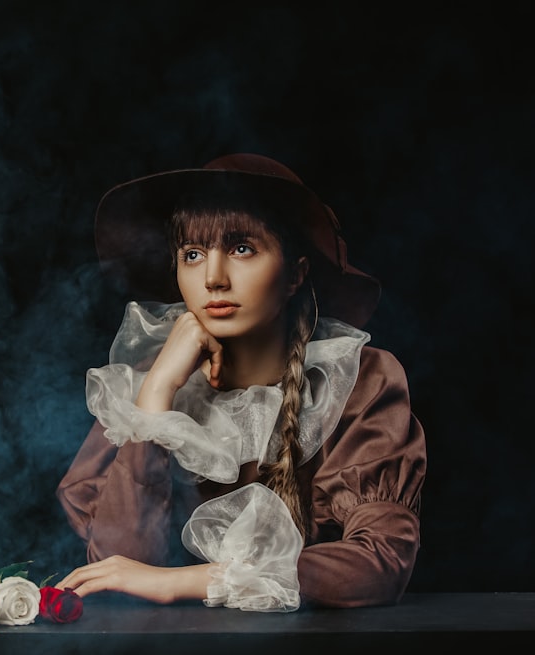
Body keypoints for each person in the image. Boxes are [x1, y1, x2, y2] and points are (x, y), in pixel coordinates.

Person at [54, 153, 426, 610]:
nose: (213, 278)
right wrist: (154, 402)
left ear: (295, 273)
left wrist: (189, 582)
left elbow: (379, 566)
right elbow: (120, 566)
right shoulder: (151, 381)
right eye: (192, 254)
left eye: (241, 249)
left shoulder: (357, 380)